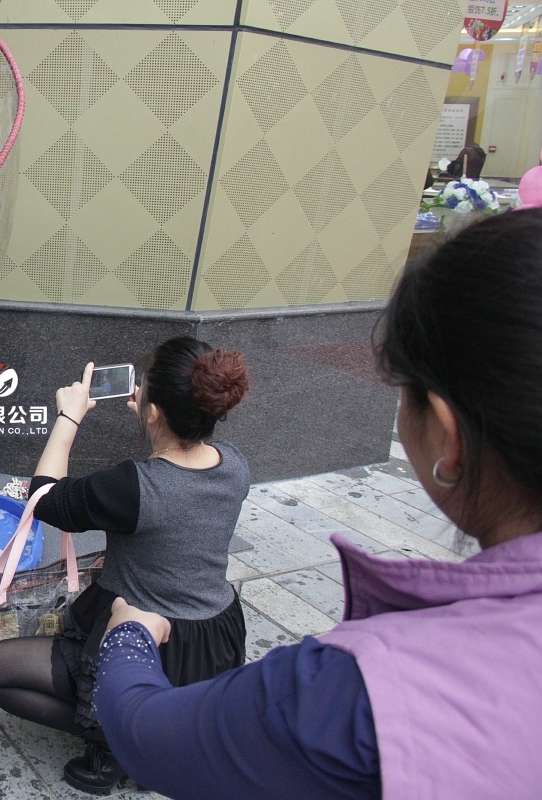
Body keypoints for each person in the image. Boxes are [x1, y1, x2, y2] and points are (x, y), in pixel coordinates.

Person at [94, 209, 542, 799]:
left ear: (447, 436)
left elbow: (149, 738)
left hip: (152, 637)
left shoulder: (360, 689)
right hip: (218, 629)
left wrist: (128, 634)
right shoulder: (235, 466)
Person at [0, 339, 251, 795]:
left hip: (139, 638)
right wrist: (155, 415)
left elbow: (44, 497)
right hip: (210, 642)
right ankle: (168, 731)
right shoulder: (235, 465)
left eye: (143, 388)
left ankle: (120, 744)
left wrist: (69, 416)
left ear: (154, 410)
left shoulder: (135, 487)